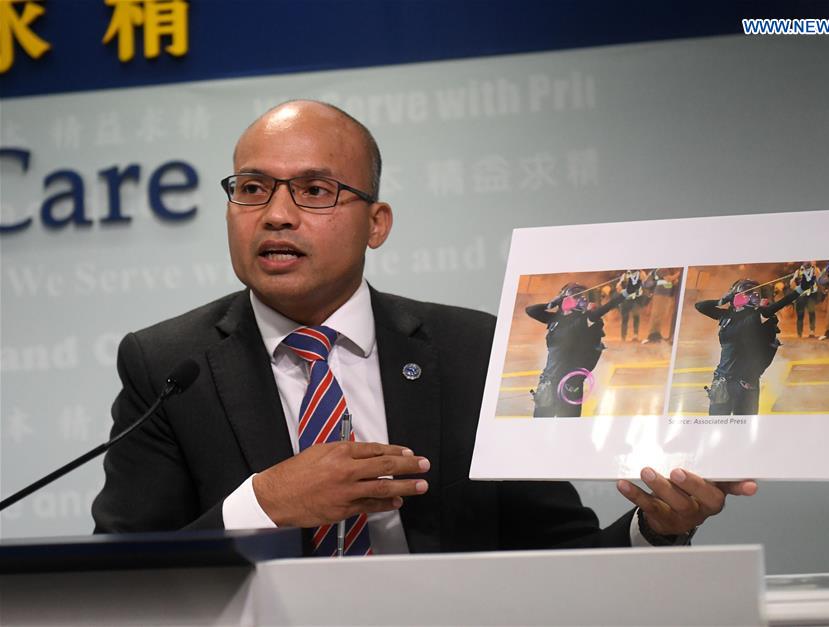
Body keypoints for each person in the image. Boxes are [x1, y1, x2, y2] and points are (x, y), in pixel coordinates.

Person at [92, 100, 756, 554]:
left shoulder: (472, 351)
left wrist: (658, 526)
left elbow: (562, 560)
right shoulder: (166, 365)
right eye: (252, 188)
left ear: (376, 222)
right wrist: (265, 503)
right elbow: (123, 575)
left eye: (315, 191)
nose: (277, 215)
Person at [695, 278, 802, 415]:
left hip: (745, 383)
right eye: (749, 293)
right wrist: (722, 300)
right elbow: (699, 306)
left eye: (756, 293)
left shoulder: (756, 316)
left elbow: (779, 305)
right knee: (717, 424)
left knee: (744, 428)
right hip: (722, 382)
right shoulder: (727, 316)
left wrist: (800, 289)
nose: (755, 296)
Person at [525, 283, 623, 417]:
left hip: (570, 386)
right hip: (547, 383)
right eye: (575, 296)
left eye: (582, 297)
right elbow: (530, 310)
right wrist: (551, 303)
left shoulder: (583, 321)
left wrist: (625, 294)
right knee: (540, 426)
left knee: (567, 429)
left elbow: (604, 308)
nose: (581, 300)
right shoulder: (556, 320)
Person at [642, 268, 681, 344]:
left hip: (665, 295)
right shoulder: (663, 269)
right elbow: (668, 279)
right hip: (660, 294)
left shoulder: (667, 271)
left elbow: (671, 282)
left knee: (662, 314)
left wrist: (675, 279)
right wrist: (679, 273)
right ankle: (652, 335)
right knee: (657, 314)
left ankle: (657, 333)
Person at [789, 261, 819, 338]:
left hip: (811, 294)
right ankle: (799, 333)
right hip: (801, 295)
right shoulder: (798, 271)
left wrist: (814, 268)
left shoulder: (815, 270)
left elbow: (819, 278)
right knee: (800, 314)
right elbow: (792, 282)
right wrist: (796, 288)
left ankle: (812, 331)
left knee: (811, 311)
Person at [617, 269, 646, 342]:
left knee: (636, 315)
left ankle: (635, 335)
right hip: (626, 300)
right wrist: (620, 289)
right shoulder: (625, 275)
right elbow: (618, 286)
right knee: (625, 318)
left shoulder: (641, 273)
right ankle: (623, 337)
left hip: (636, 299)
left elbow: (645, 282)